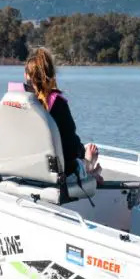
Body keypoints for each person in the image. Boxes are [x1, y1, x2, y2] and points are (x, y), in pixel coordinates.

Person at [23, 48, 103, 182]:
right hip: (59, 173)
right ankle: (89, 168)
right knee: (83, 154)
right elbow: (71, 148)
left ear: (26, 75)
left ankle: (90, 170)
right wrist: (82, 152)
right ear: (52, 74)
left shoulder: (18, 103)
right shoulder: (57, 104)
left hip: (28, 169)